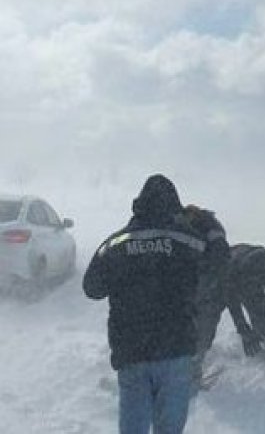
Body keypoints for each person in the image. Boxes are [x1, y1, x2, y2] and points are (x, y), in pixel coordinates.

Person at [83, 174, 206, 434]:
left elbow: (91, 288)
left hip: (132, 351)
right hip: (176, 348)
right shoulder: (190, 242)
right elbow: (215, 272)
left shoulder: (115, 244)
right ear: (175, 206)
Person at [182, 204, 230, 383]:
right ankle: (191, 368)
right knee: (200, 329)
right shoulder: (206, 227)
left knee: (202, 329)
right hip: (202, 288)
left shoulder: (209, 228)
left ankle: (193, 370)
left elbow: (220, 257)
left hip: (209, 287)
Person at [224, 244, 265, 356]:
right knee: (210, 310)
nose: (255, 288)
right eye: (251, 284)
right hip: (222, 271)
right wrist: (244, 331)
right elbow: (233, 305)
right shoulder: (231, 272)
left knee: (262, 321)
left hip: (247, 265)